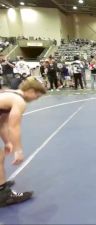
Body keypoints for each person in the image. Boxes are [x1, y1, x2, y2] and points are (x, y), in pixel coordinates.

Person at [0, 77, 46, 207]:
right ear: (31, 91)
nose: (35, 100)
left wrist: (7, 142)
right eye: (36, 96)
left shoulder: (10, 95)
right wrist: (18, 150)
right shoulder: (19, 101)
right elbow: (13, 127)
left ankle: (1, 186)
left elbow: (2, 123)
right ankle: (3, 196)